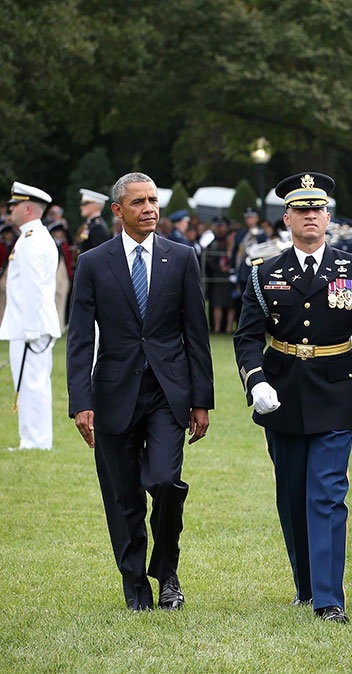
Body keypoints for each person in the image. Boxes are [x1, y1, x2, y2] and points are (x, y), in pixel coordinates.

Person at [233, 172, 352, 624]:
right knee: (291, 497)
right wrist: (256, 381)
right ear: (287, 218)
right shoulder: (265, 272)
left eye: (317, 209)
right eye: (301, 210)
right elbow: (245, 337)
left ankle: (328, 598)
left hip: (337, 393)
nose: (311, 216)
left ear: (328, 217)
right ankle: (305, 584)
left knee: (326, 495)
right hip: (281, 394)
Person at [66, 172, 214, 612]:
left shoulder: (183, 257)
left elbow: (197, 334)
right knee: (123, 495)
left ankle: (167, 571)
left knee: (165, 481)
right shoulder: (93, 262)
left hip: (169, 394)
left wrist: (201, 400)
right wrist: (81, 403)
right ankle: (135, 585)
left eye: (153, 200)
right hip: (113, 394)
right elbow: (78, 339)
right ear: (117, 211)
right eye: (138, 202)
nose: (149, 208)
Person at [0, 182, 60, 451]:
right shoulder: (30, 237)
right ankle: (32, 440)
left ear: (26, 208)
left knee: (32, 385)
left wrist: (31, 332)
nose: (9, 210)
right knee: (29, 385)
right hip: (27, 326)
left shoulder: (33, 240)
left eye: (13, 205)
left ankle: (36, 442)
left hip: (30, 329)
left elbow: (35, 289)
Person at [77, 188, 112, 254]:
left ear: (95, 206)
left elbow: (99, 254)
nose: (81, 207)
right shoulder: (90, 224)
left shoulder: (98, 227)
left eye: (84, 204)